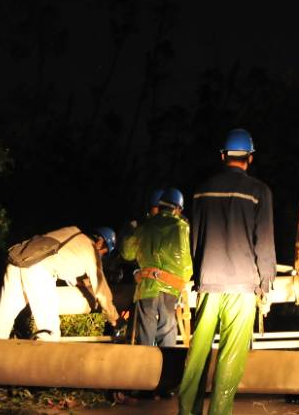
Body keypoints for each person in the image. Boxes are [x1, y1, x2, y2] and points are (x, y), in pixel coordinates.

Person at [178, 128, 277, 415]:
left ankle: (186, 412)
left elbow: (194, 238)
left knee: (197, 354)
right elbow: (265, 242)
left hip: (209, 282)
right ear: (250, 157)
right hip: (243, 288)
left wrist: (198, 275)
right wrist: (265, 287)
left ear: (223, 156)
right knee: (231, 356)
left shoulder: (201, 191)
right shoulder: (260, 191)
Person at [0, 226, 119, 341]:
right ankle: (41, 365)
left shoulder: (72, 231)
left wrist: (78, 282)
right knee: (49, 332)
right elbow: (101, 289)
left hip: (17, 261)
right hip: (37, 269)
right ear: (100, 243)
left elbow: (59, 256)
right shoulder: (91, 251)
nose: (101, 256)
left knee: (2, 319)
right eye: (104, 252)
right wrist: (113, 318)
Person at [121, 187, 192, 347]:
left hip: (147, 286)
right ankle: (167, 368)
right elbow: (187, 264)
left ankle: (146, 368)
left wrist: (129, 230)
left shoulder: (144, 226)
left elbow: (127, 253)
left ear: (159, 206)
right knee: (168, 329)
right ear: (178, 208)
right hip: (172, 287)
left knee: (145, 331)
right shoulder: (182, 226)